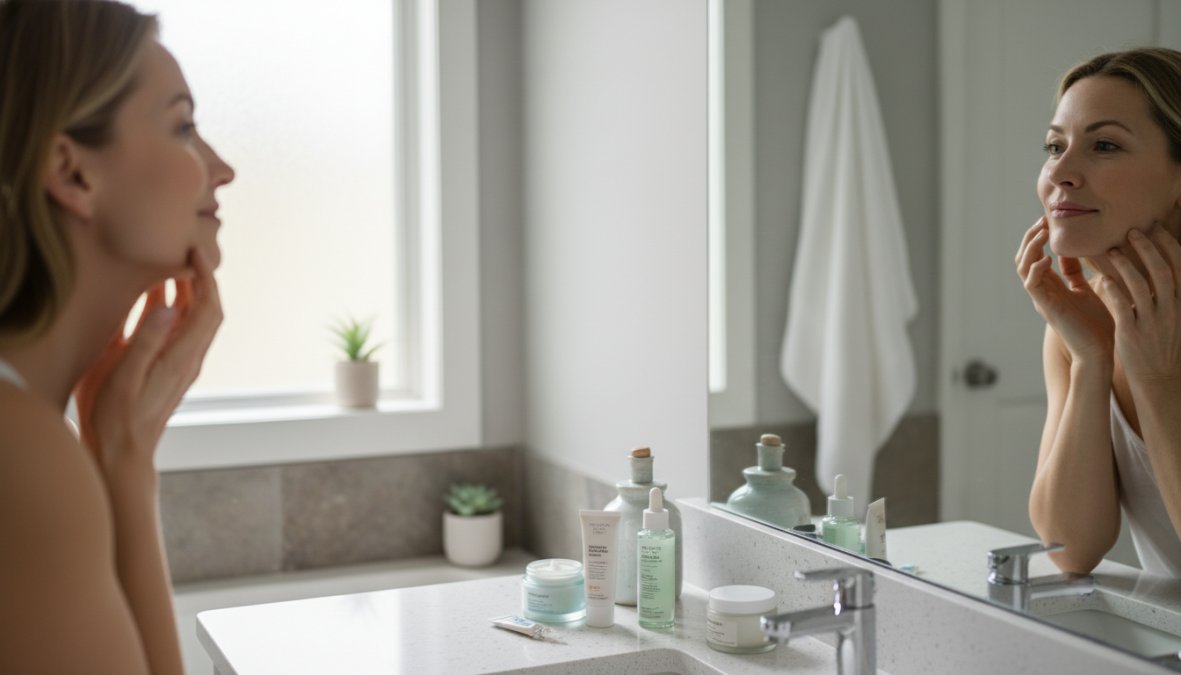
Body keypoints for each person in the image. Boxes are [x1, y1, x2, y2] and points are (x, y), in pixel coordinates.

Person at [0, 1, 235, 672]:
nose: (222, 169)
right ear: (74, 173)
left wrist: (124, 456)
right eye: (183, 126)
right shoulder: (21, 454)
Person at [1017, 47, 1181, 577]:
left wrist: (1155, 377)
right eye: (1054, 146)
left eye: (1104, 145)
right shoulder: (1082, 325)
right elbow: (1069, 548)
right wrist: (1090, 358)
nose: (1060, 173)